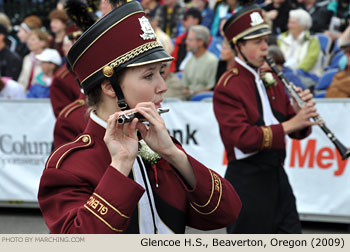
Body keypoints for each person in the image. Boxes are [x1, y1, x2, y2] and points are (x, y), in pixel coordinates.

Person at [38, 1, 241, 234]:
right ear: (110, 88)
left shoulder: (159, 146)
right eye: (148, 76)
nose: (163, 86)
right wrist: (120, 165)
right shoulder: (69, 166)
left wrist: (174, 155)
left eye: (161, 73)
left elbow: (227, 212)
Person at [213, 3, 320, 234]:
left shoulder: (271, 78)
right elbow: (243, 138)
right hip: (247, 182)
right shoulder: (228, 86)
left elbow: (298, 130)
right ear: (238, 46)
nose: (265, 48)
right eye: (257, 42)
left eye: (266, 40)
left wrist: (300, 113)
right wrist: (291, 123)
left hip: (278, 177)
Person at [277, 8, 324, 89]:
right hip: (284, 73)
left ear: (303, 26)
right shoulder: (281, 38)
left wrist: (293, 72)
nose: (289, 26)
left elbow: (309, 61)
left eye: (293, 23)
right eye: (289, 22)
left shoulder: (312, 40)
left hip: (305, 75)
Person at [183, 25, 218, 97]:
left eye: (190, 40)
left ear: (200, 42)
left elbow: (210, 89)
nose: (186, 42)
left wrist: (192, 93)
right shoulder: (189, 61)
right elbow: (184, 88)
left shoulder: (212, 61)